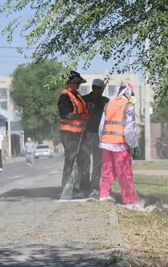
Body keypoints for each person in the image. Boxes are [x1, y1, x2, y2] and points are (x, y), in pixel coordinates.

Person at [98, 82, 140, 206]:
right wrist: (133, 145)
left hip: (106, 144)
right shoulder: (128, 106)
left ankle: (103, 195)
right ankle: (130, 201)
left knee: (107, 171)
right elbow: (129, 130)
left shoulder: (108, 105)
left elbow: (101, 126)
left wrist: (102, 141)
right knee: (124, 173)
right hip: (120, 145)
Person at [58, 70, 91, 199]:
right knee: (70, 160)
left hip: (80, 132)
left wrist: (88, 110)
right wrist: (81, 115)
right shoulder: (64, 96)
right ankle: (66, 188)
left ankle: (80, 187)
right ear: (71, 82)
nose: (79, 85)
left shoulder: (77, 94)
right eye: (77, 83)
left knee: (83, 159)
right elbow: (65, 114)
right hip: (69, 133)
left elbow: (82, 109)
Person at [83, 78, 110, 197]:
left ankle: (94, 187)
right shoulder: (84, 100)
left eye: (101, 89)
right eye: (96, 88)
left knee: (98, 162)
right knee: (84, 161)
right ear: (93, 88)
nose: (99, 90)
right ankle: (84, 186)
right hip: (86, 134)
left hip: (100, 135)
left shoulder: (106, 101)